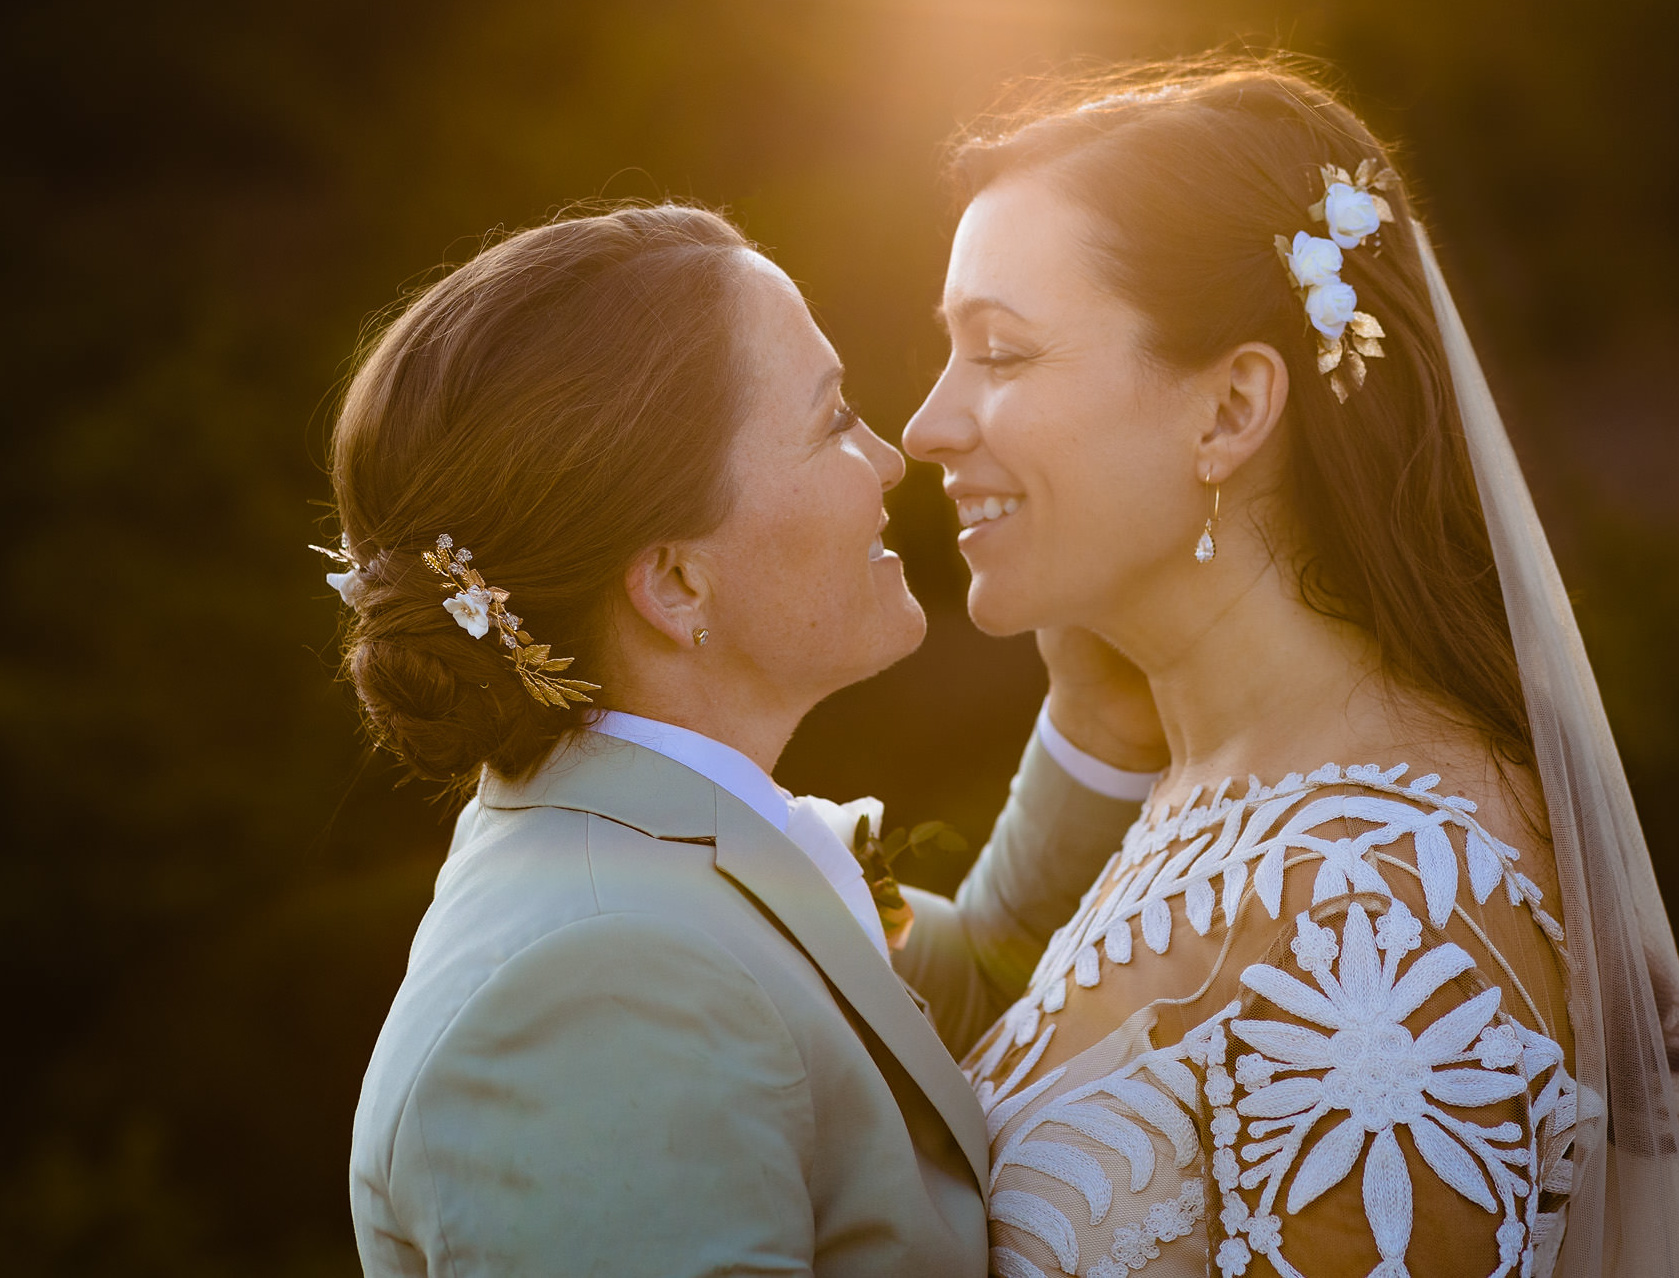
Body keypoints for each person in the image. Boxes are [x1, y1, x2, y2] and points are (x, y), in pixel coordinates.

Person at [903, 57, 1679, 1278]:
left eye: (1000, 354)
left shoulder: (1382, 910)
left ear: (1229, 410)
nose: (926, 423)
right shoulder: (1206, 789)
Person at [321, 204, 1160, 1276]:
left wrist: (1102, 718)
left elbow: (998, 997)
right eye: (831, 420)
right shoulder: (596, 992)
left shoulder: (674, 858)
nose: (890, 456)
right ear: (676, 583)